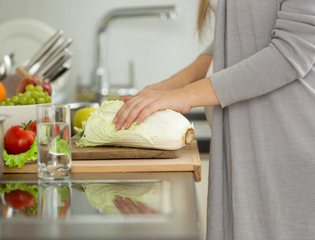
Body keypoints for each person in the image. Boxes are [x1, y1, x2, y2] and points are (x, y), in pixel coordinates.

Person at [113, 0, 315, 239]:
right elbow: (231, 40)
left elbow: (290, 52)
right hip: (240, 140)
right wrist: (169, 87)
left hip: (284, 143)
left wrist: (185, 95)